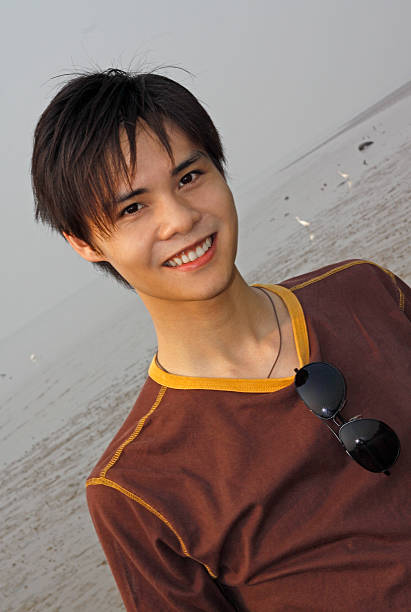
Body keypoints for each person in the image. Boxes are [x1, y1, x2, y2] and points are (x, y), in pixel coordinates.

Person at [31, 68, 411, 611]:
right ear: (84, 241)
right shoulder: (135, 488)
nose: (180, 220)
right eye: (133, 207)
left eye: (189, 178)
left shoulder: (365, 292)